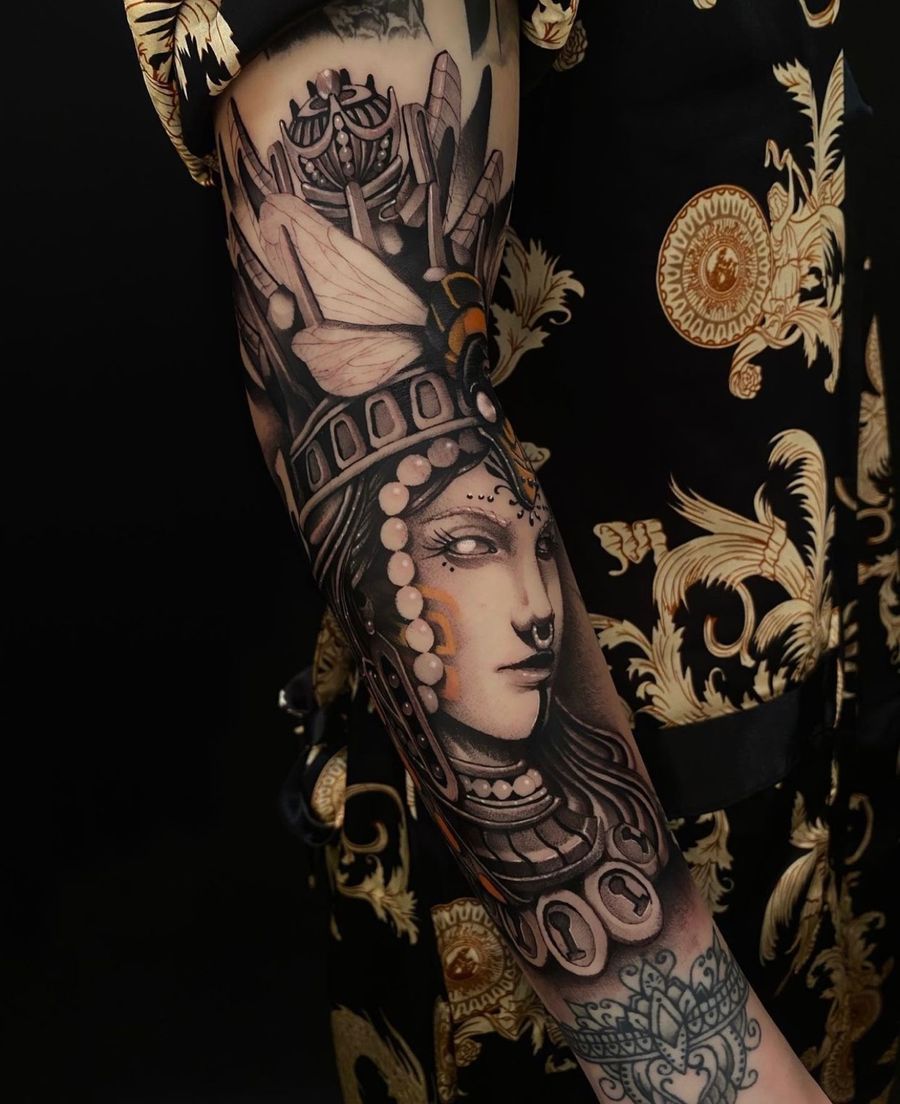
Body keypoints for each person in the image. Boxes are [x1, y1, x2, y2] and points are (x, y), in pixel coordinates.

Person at [123, 2, 899, 1101]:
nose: (523, 606)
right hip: (571, 939)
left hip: (816, 761)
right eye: (469, 543)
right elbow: (371, 408)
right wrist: (713, 1082)